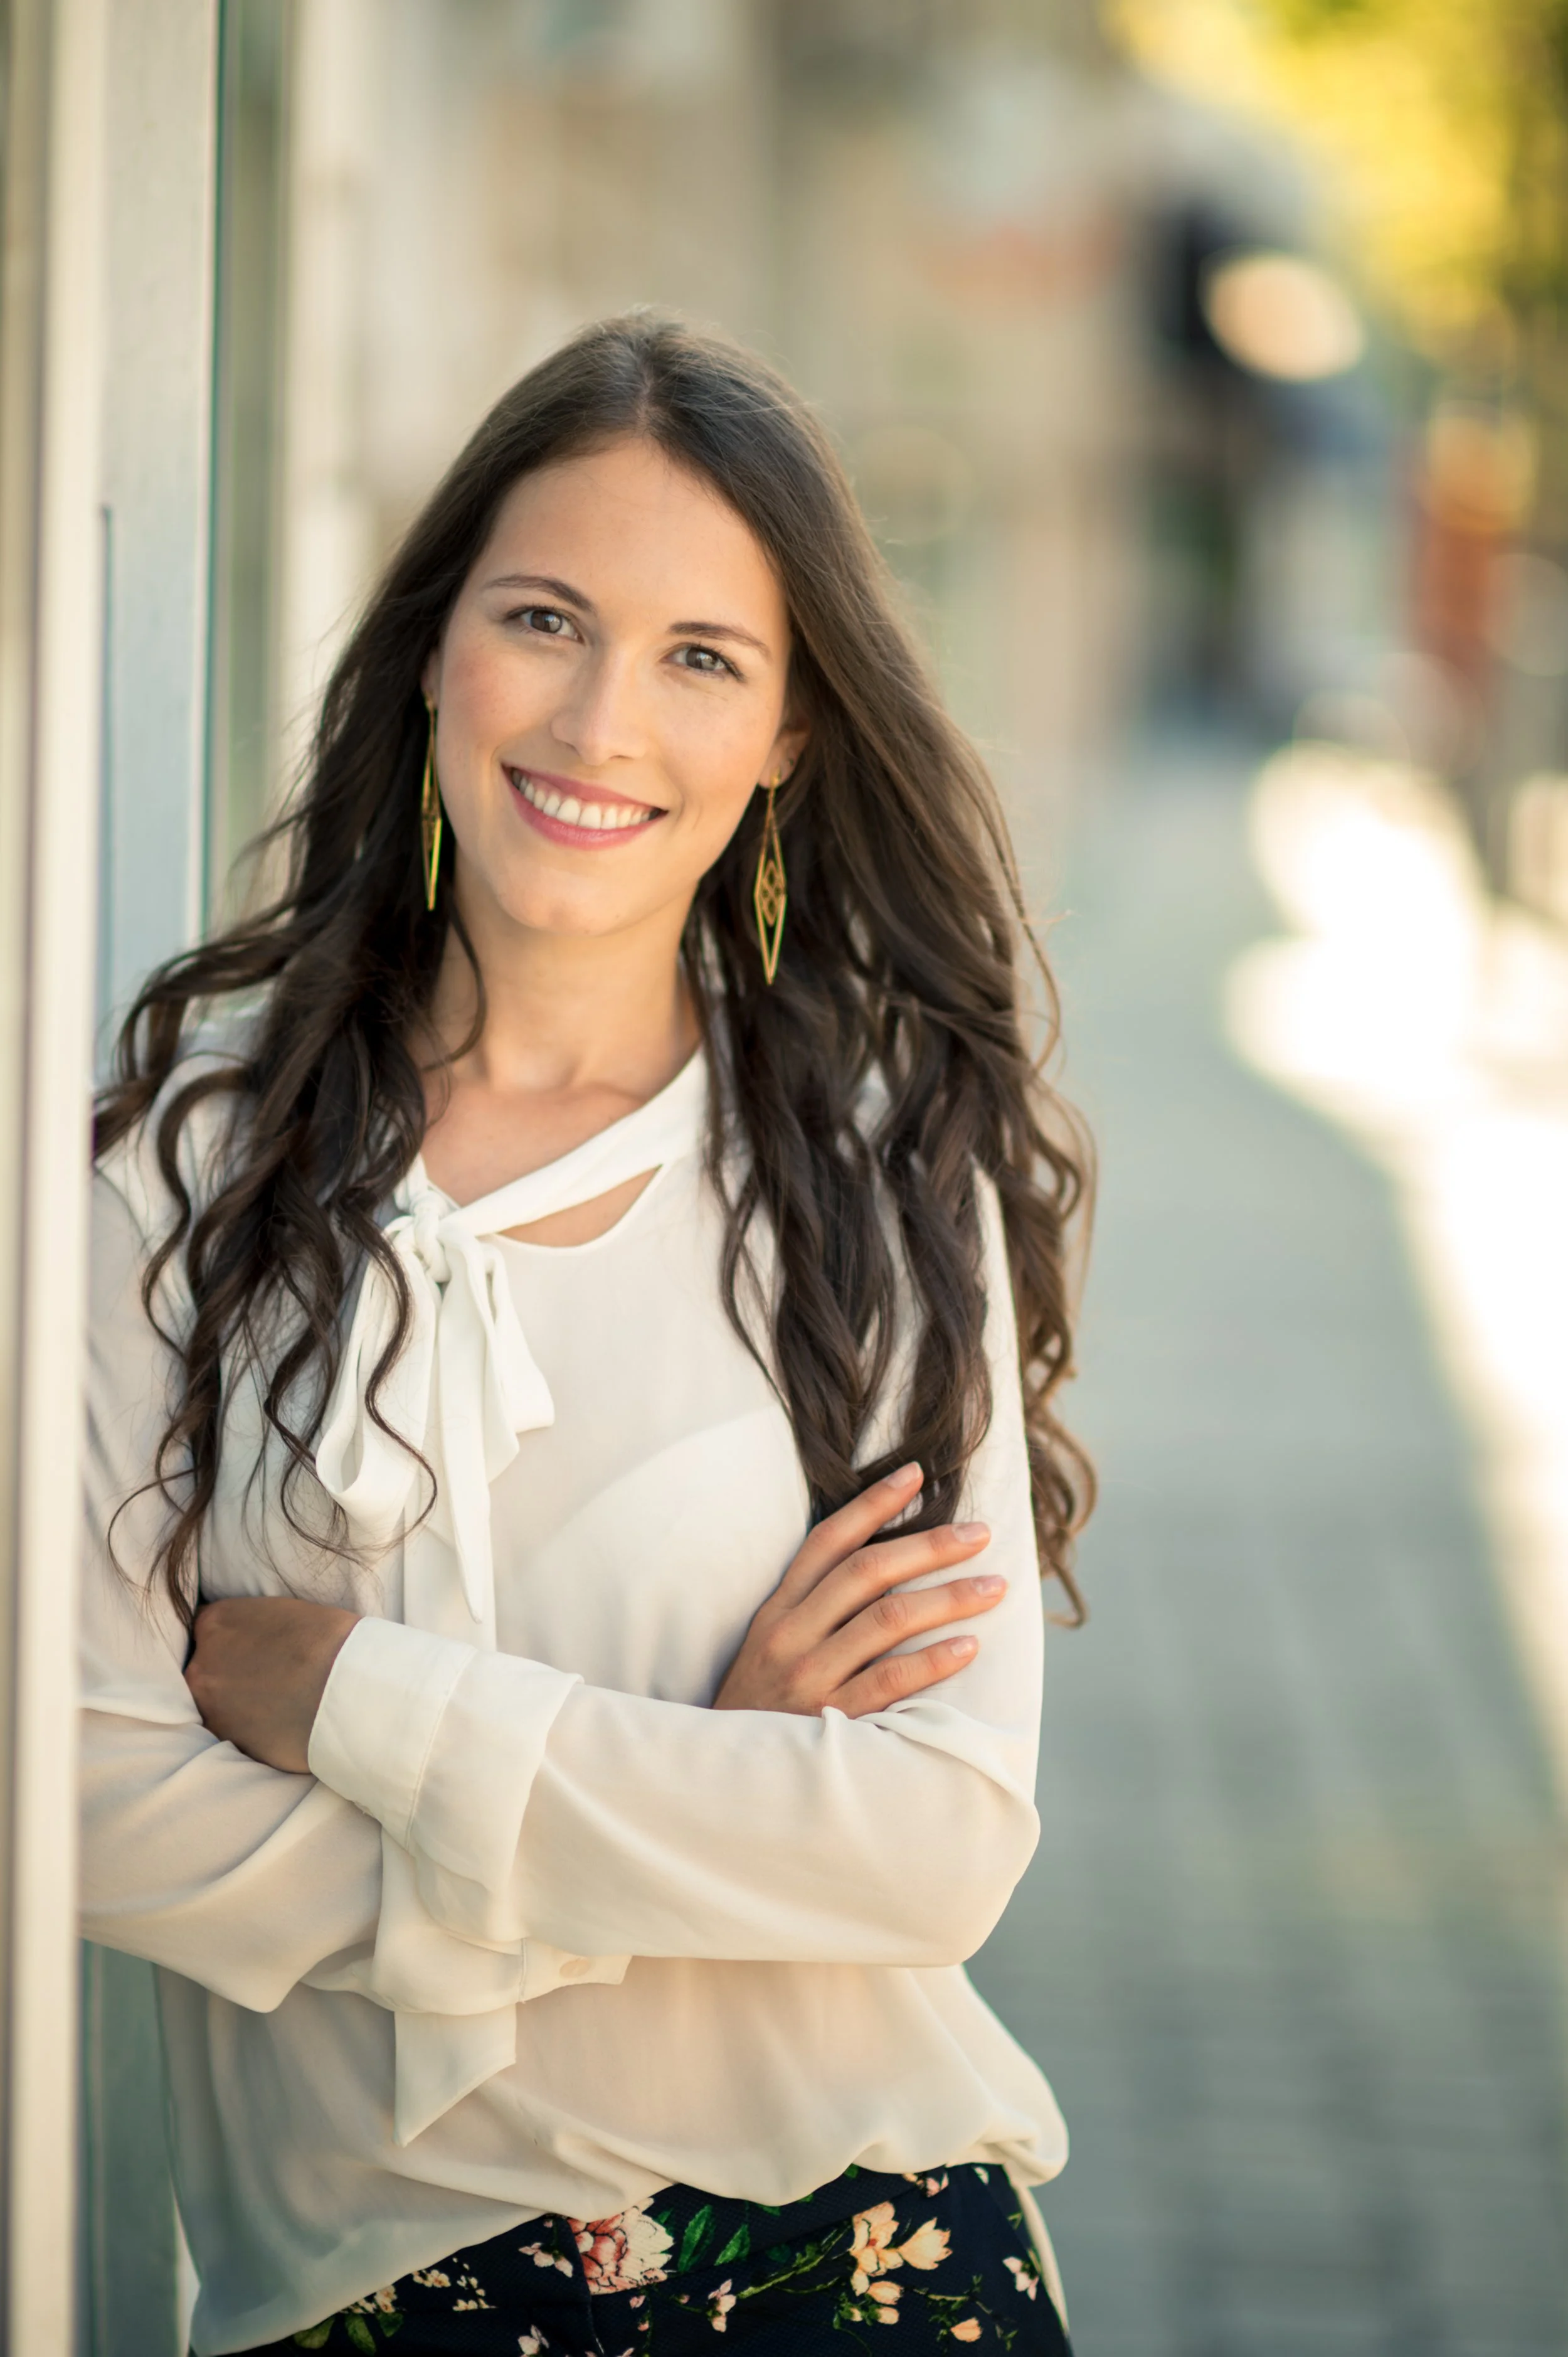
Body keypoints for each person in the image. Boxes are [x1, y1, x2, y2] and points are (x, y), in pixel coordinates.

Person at [84, 314, 1090, 2356]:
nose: (602, 718)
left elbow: (927, 1845)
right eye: (546, 616)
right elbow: (96, 1795)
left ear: (788, 734)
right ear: (435, 645)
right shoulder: (181, 1160)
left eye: (701, 656)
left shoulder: (879, 1175)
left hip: (864, 2256)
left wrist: (362, 1700)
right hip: (375, 2295)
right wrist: (704, 1800)